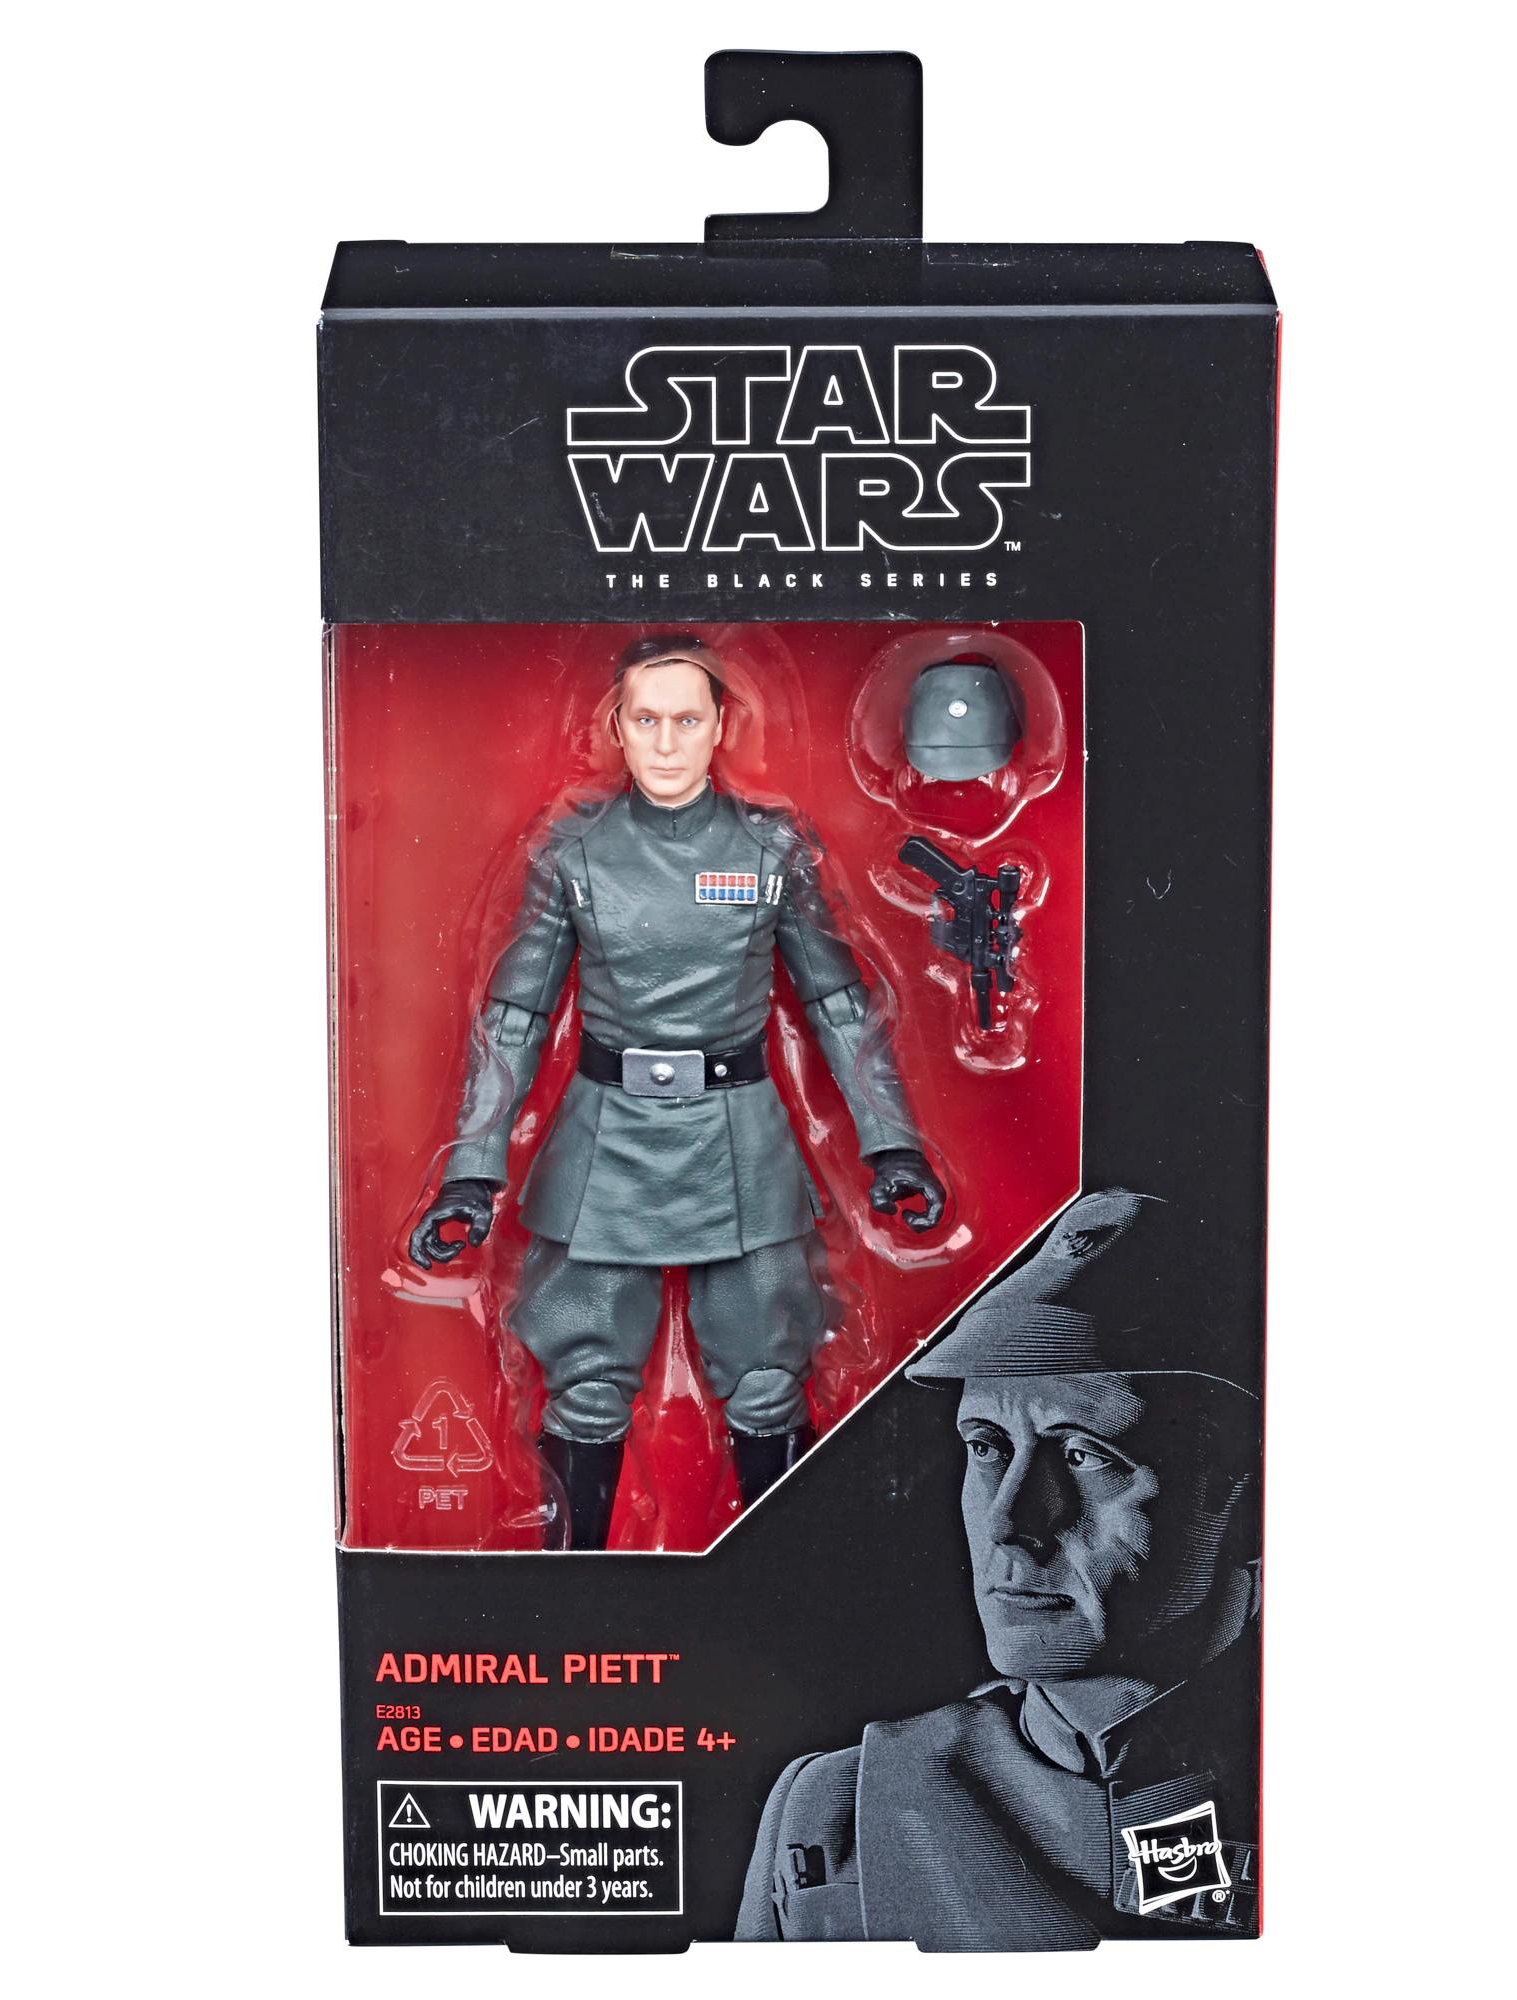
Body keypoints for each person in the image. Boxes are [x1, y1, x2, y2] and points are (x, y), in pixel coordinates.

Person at [408, 634, 946, 1548]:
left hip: (740, 1142)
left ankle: (781, 1586)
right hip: (605, 1143)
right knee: (583, 1382)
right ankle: (569, 1592)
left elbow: (839, 1006)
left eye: (686, 720)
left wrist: (892, 1144)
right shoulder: (574, 850)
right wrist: (469, 1170)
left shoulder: (770, 846)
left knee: (769, 1375)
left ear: (720, 726)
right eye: (647, 720)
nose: (666, 743)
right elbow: (515, 1017)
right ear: (616, 726)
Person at [735, 1188, 1262, 1947]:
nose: (1010, 1526)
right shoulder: (838, 1806)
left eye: (1083, 1456)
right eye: (987, 1447)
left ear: (1245, 1501)